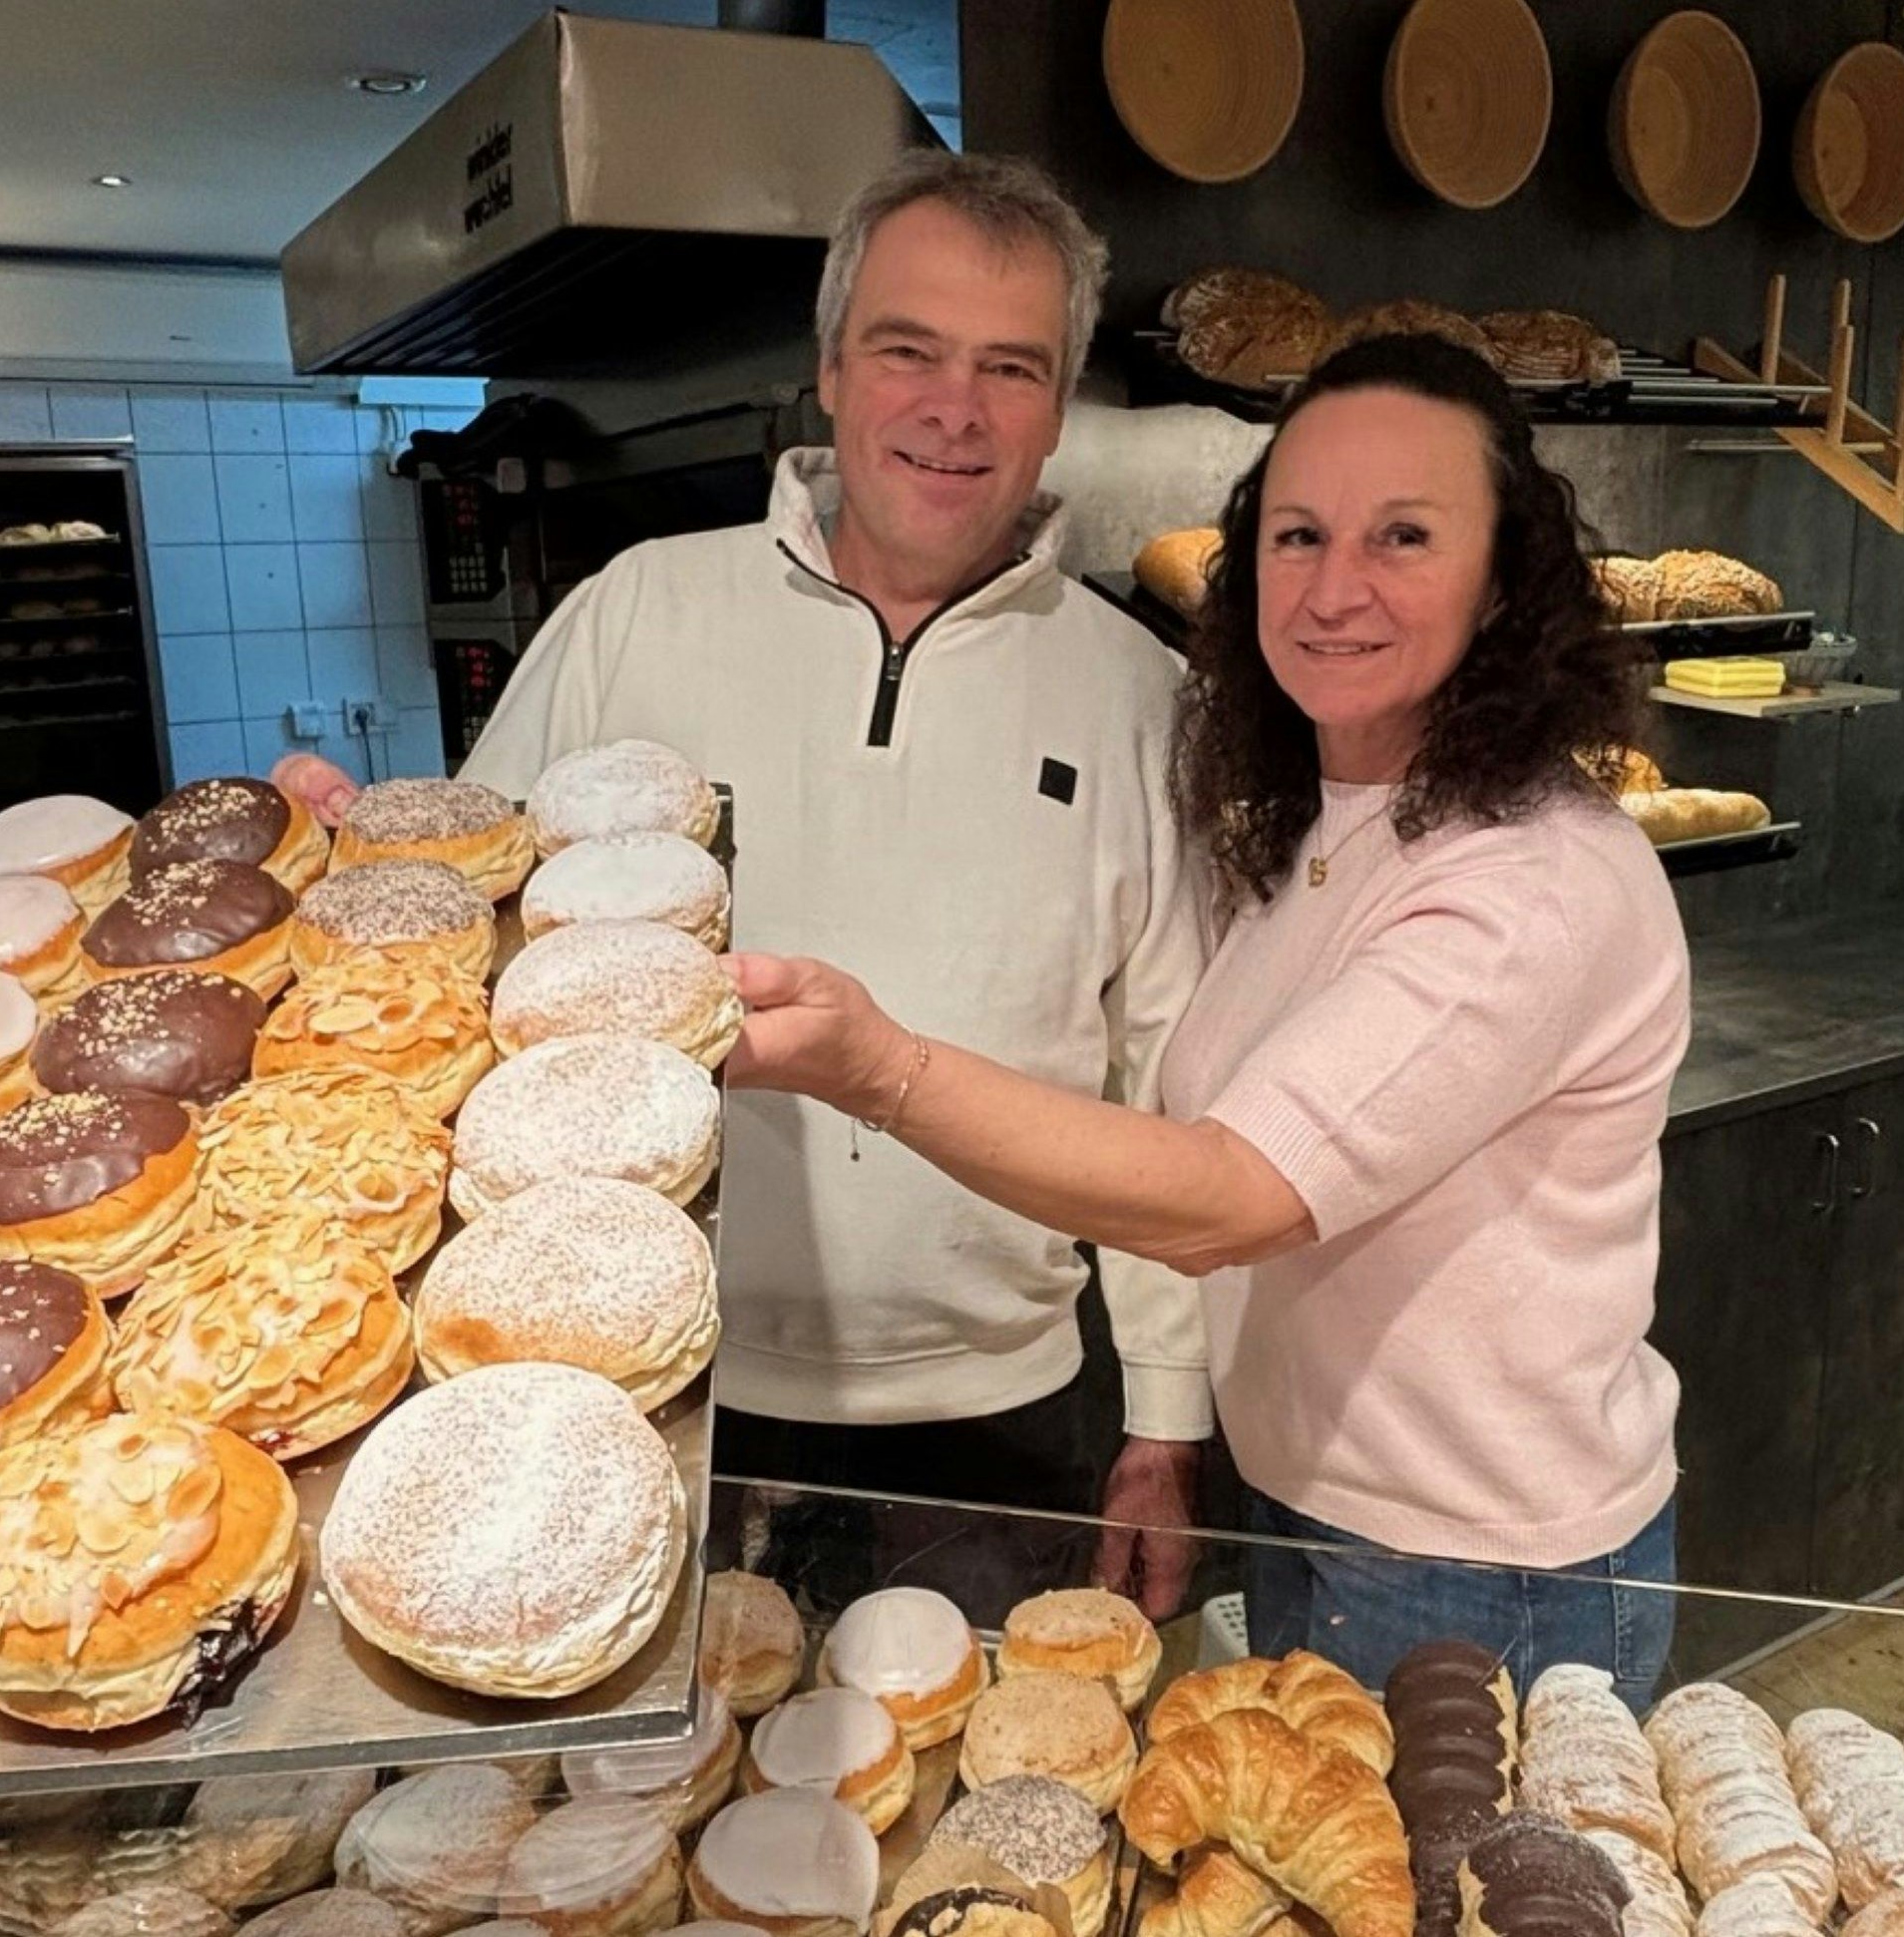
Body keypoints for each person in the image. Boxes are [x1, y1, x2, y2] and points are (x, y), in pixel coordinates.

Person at [276, 152, 1212, 1616]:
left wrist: (1166, 1411)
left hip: (1000, 1423)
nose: (952, 408)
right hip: (631, 1394)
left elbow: (1166, 1069)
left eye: (1009, 368)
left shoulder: (1141, 692)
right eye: (907, 349)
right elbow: (476, 970)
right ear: (831, 368)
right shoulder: (636, 607)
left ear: (1058, 407)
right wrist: (326, 891)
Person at [726, 330, 1693, 1701]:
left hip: (1482, 1568)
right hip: (1312, 1508)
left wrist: (871, 1063)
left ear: (1501, 583)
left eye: (1402, 536)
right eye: (1296, 535)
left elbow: (1224, 1191)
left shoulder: (1527, 880)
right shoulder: (1326, 825)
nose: (1332, 587)